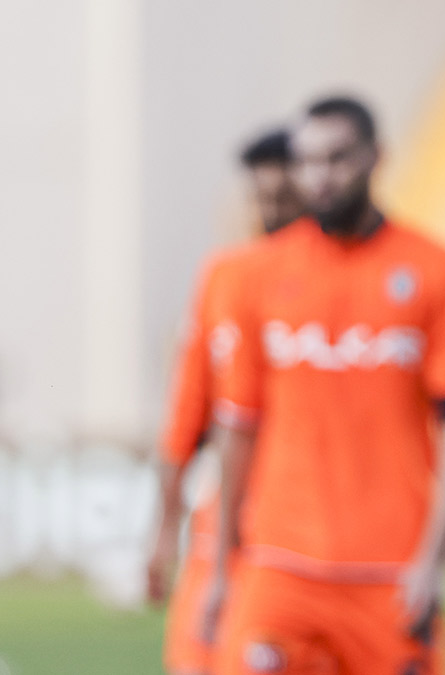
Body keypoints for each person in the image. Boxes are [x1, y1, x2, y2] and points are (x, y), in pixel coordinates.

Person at [206, 96, 445, 675]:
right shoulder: (257, 275)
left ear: (376, 157)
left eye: (337, 159)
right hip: (279, 565)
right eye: (309, 161)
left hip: (392, 572)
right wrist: (221, 568)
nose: (321, 176)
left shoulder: (436, 271)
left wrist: (433, 561)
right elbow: (237, 424)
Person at [148, 128, 303, 675]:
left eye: (284, 199)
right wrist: (163, 528)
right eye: (263, 199)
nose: (272, 213)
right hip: (226, 524)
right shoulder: (224, 276)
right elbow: (187, 412)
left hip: (303, 531)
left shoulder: (341, 281)